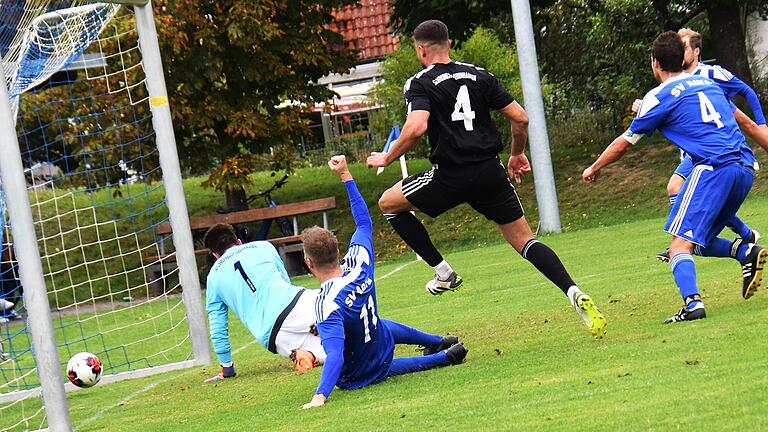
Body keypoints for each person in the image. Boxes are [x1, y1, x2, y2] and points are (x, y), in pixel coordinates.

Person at [365, 19, 606, 339]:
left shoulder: (420, 82)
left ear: (420, 50)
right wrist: (518, 153)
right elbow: (520, 117)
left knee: (389, 204)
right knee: (525, 240)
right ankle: (573, 291)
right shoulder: (480, 75)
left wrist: (387, 157)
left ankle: (443, 272)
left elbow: (417, 126)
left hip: (450, 174)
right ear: (449, 44)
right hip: (489, 171)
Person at [582, 31, 767, 323]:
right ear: (682, 58)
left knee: (678, 244)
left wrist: (594, 167)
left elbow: (624, 143)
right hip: (744, 168)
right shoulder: (708, 82)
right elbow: (735, 116)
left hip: (712, 169)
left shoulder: (659, 95)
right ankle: (746, 250)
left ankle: (692, 304)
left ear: (655, 63)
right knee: (698, 240)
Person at [301, 155, 467, 409]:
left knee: (376, 368)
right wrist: (346, 175)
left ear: (309, 263)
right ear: (337, 250)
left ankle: (444, 357)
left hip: (361, 369)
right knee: (379, 325)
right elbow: (364, 223)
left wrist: (319, 396)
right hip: (378, 335)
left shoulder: (326, 303)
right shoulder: (359, 260)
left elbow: (334, 356)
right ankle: (436, 341)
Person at [635, 28, 768, 262]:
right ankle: (741, 236)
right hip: (697, 152)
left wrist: (761, 123)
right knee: (693, 193)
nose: (679, 50)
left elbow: (745, 91)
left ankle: (686, 238)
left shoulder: (710, 74)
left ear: (696, 51)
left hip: (714, 151)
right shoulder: (676, 82)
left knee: (677, 187)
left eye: (683, 46)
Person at [203, 223, 326, 382]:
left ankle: (311, 355)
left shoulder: (213, 278)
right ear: (239, 242)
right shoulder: (263, 247)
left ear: (215, 255)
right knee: (348, 323)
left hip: (273, 335)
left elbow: (217, 326)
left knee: (333, 352)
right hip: (298, 303)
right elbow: (285, 280)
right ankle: (321, 327)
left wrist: (227, 369)